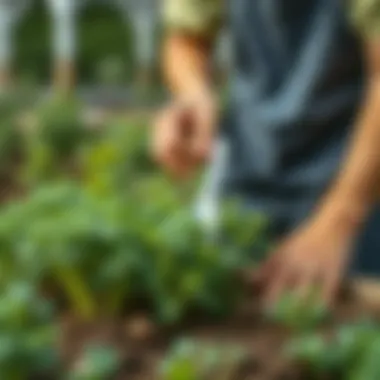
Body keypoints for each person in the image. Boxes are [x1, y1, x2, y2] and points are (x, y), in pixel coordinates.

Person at [152, 0, 380, 308]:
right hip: (249, 181)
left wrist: (338, 222)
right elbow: (186, 38)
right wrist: (194, 92)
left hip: (360, 187)